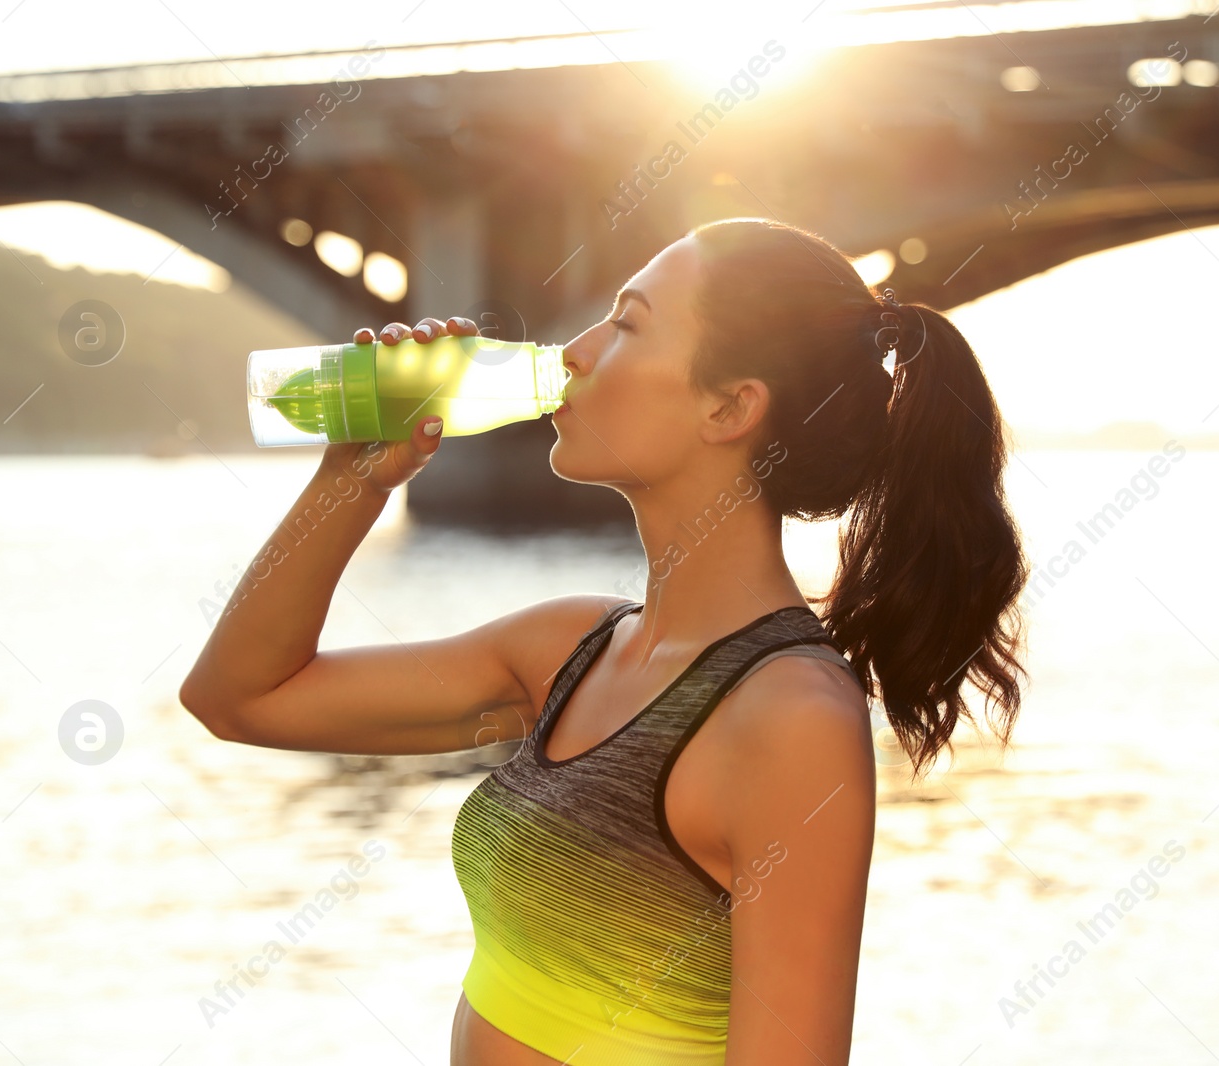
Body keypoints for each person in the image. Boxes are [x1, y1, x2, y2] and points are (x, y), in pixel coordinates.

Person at [179, 216, 1028, 1065]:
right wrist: (352, 479)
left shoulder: (790, 715)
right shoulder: (570, 649)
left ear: (729, 407)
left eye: (626, 324)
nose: (575, 351)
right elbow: (239, 697)